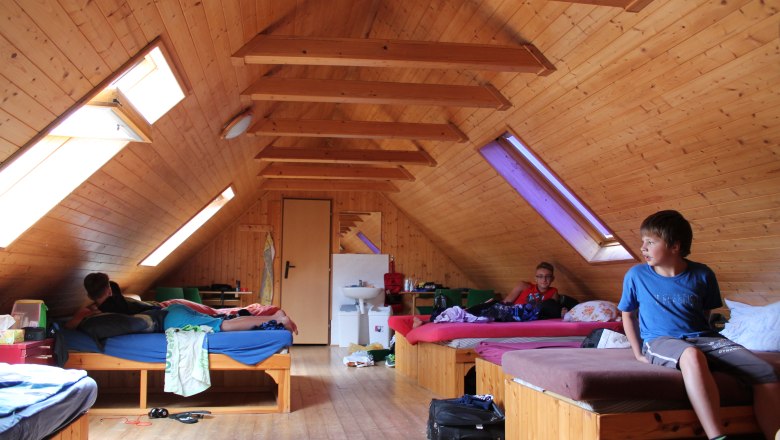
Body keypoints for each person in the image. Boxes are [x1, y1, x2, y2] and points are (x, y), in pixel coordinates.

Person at [618, 210, 779, 440]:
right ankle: (718, 437)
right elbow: (628, 315)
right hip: (661, 339)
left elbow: (705, 313)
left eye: (650, 242)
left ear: (675, 246)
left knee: (765, 371)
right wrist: (638, 353)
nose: (643, 247)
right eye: (643, 241)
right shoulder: (637, 275)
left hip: (705, 337)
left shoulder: (702, 274)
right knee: (692, 355)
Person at [66, 272, 297, 334]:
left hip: (170, 317)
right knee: (221, 318)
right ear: (108, 289)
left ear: (89, 293)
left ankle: (275, 318)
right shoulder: (117, 296)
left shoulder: (99, 311)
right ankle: (272, 316)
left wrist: (85, 313)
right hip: (170, 310)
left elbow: (69, 328)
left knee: (223, 325)